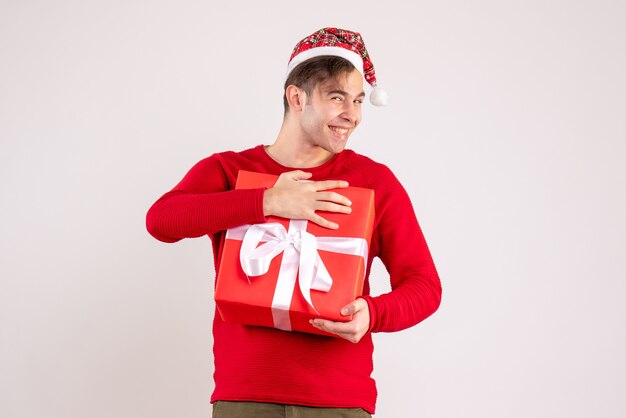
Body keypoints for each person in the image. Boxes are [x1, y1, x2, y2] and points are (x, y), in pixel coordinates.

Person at [146, 27, 442, 418]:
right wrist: (267, 200)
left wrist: (374, 312)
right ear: (297, 97)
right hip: (243, 397)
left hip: (339, 401)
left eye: (357, 100)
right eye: (337, 97)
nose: (351, 115)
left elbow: (425, 286)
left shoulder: (373, 181)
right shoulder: (230, 170)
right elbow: (162, 220)